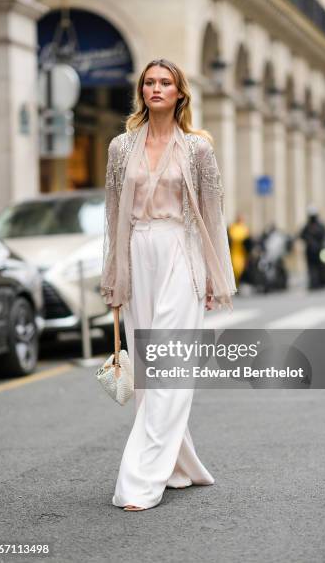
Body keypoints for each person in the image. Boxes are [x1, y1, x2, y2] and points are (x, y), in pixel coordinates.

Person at [100, 58, 236, 511]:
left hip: (182, 252)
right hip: (138, 254)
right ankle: (181, 467)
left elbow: (212, 217)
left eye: (166, 83)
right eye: (149, 82)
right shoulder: (120, 147)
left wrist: (217, 277)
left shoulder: (198, 149)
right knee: (148, 372)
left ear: (180, 93)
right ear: (141, 91)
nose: (156, 88)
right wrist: (114, 275)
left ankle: (140, 480)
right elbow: (113, 215)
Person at [299, 206, 325, 289]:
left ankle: (320, 282)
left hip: (319, 250)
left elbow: (324, 235)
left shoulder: (320, 225)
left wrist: (318, 244)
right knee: (311, 268)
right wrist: (309, 241)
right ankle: (313, 283)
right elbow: (301, 235)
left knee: (320, 266)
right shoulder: (307, 226)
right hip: (310, 251)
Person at [227, 214, 251, 288]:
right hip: (234, 251)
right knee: (235, 268)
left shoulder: (245, 228)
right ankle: (235, 284)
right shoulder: (232, 227)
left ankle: (238, 284)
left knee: (240, 268)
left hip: (242, 252)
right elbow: (231, 238)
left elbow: (248, 240)